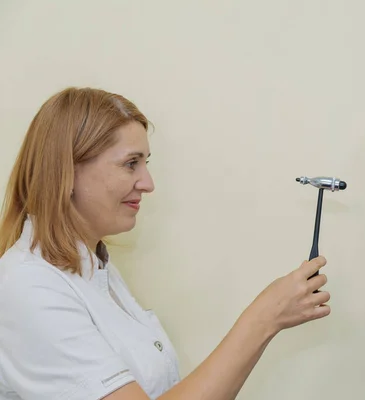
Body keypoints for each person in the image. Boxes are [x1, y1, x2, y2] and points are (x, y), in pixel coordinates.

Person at [0, 87, 331, 400]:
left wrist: (267, 320)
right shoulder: (28, 286)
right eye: (131, 163)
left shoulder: (97, 271)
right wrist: (263, 318)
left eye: (146, 163)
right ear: (68, 171)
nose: (148, 183)